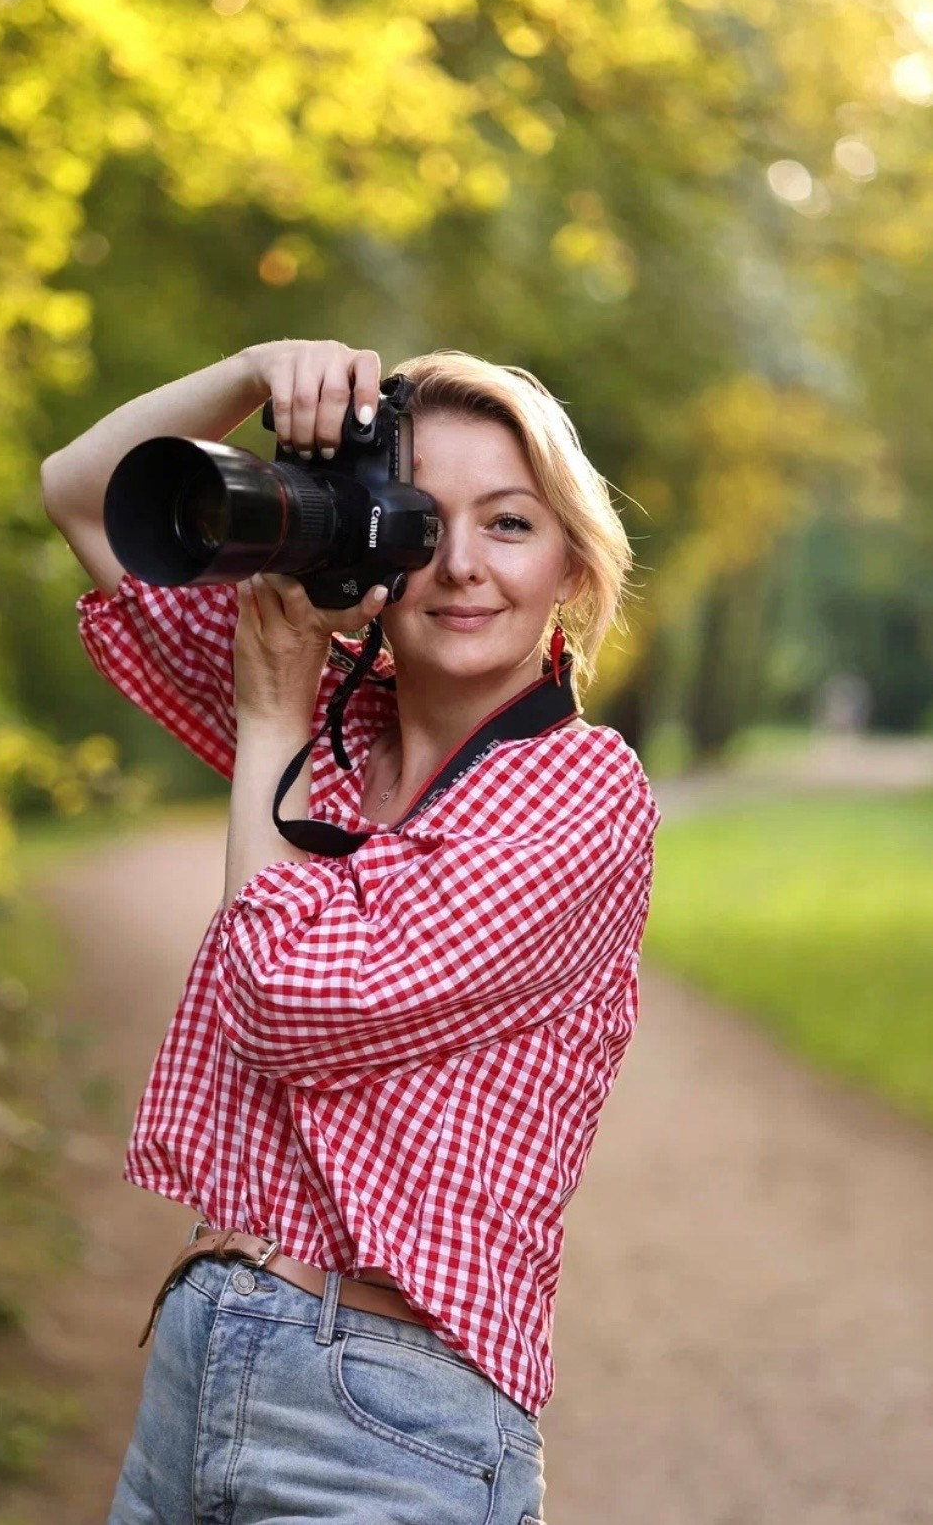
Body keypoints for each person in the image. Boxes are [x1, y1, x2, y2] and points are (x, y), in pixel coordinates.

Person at [41, 339, 661, 1524]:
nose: (461, 565)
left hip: (389, 1424)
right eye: (421, 521)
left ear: (574, 567)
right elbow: (82, 490)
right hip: (196, 1365)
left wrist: (268, 717)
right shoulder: (333, 721)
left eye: (510, 524)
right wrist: (256, 371)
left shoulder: (581, 791)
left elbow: (288, 1008)